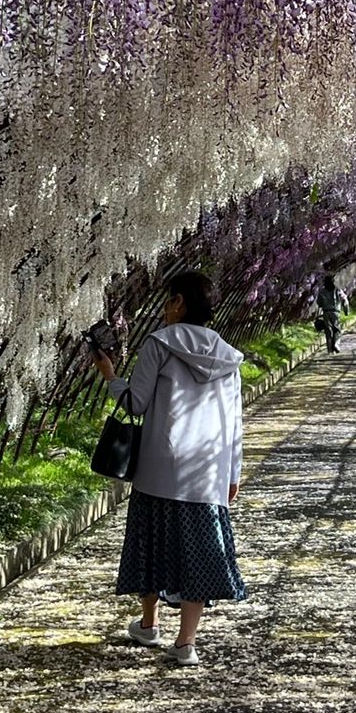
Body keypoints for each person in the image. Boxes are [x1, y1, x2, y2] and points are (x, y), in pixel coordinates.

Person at [91, 270, 246, 665]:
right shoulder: (228, 356)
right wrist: (232, 473)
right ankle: (186, 643)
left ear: (178, 302)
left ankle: (149, 624)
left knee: (153, 543)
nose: (163, 308)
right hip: (207, 472)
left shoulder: (159, 343)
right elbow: (234, 424)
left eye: (167, 300)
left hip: (162, 465)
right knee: (198, 552)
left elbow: (135, 404)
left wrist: (111, 377)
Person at [316, 272, 350, 353]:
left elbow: (319, 303)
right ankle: (336, 344)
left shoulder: (322, 291)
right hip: (335, 312)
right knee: (337, 329)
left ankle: (330, 350)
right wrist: (346, 311)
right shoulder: (337, 290)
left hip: (326, 312)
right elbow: (344, 300)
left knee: (328, 331)